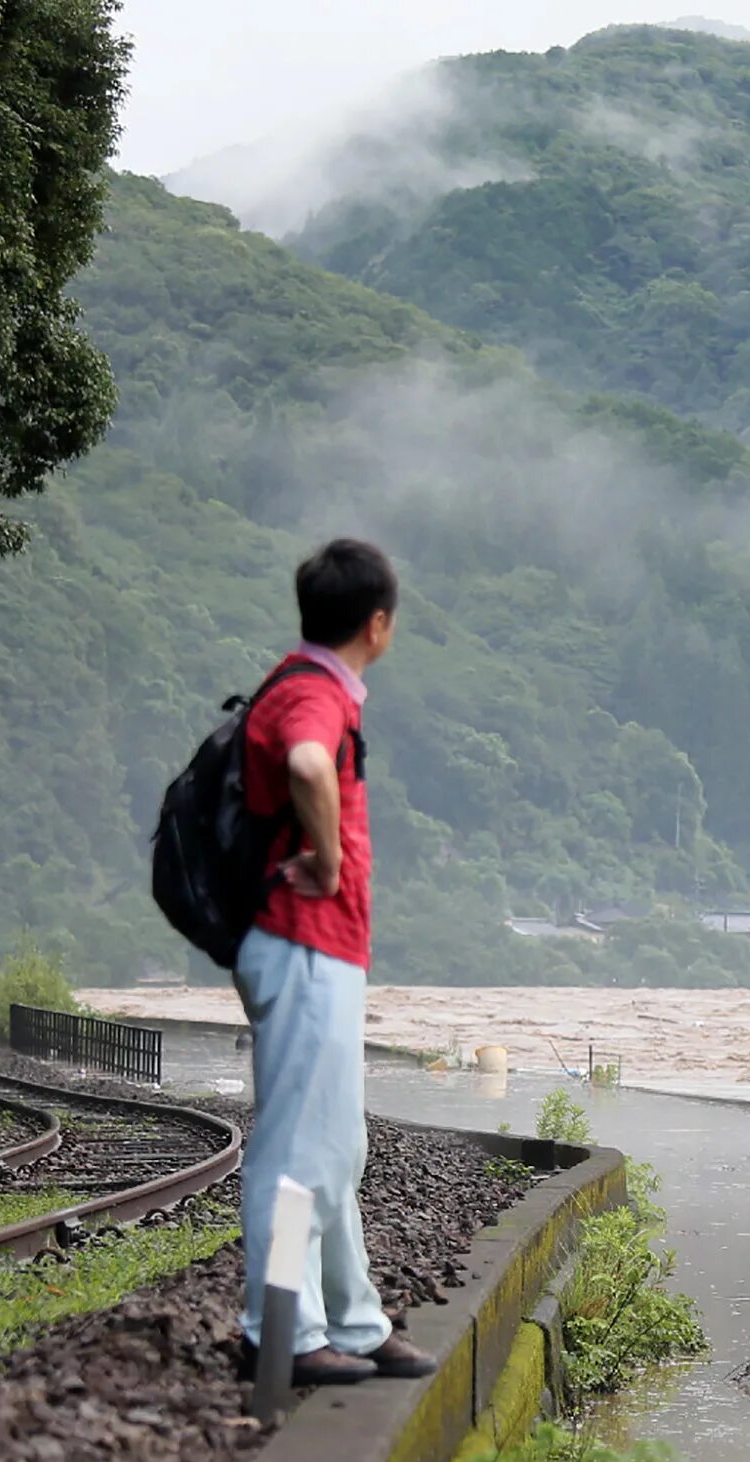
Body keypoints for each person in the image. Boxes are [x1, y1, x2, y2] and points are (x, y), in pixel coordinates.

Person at [234, 539, 436, 1387]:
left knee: (336, 1145)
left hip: (321, 950)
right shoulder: (313, 694)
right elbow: (310, 762)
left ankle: (352, 1324)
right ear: (378, 625)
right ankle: (275, 1331)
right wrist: (325, 859)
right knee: (295, 1152)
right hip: (302, 944)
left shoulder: (310, 685)